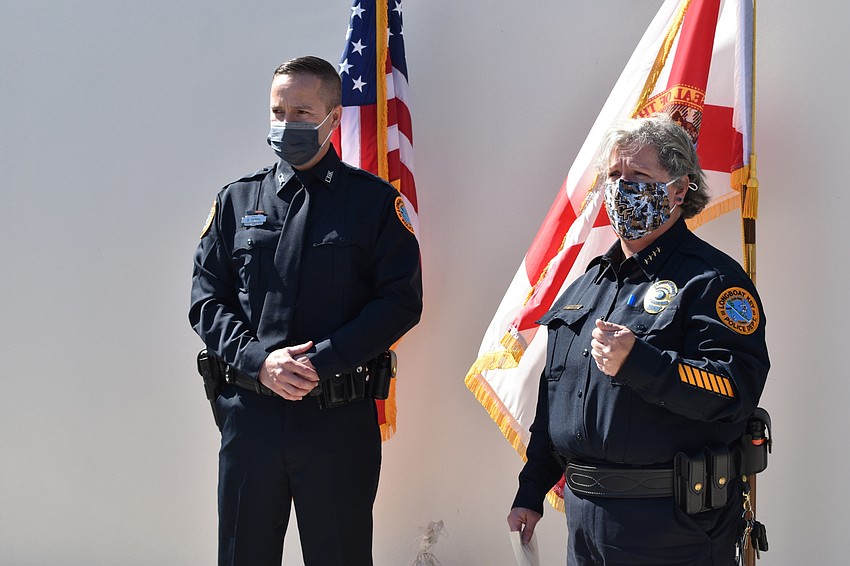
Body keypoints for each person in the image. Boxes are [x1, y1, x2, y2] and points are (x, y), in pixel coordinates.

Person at [189, 56, 423, 566]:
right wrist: (259, 363)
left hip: (335, 419)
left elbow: (400, 302)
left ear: (333, 118)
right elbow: (206, 300)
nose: (286, 124)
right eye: (278, 111)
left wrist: (321, 360)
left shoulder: (376, 205)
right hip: (251, 417)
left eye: (301, 111)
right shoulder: (236, 201)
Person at [507, 113, 769, 565]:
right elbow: (556, 404)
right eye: (614, 175)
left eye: (639, 175)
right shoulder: (587, 287)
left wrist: (642, 365)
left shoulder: (711, 281)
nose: (622, 187)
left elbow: (734, 389)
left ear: (680, 189)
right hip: (585, 523)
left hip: (671, 528)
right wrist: (530, 490)